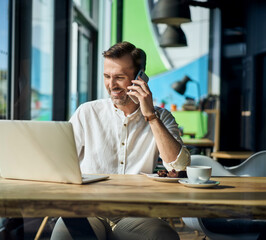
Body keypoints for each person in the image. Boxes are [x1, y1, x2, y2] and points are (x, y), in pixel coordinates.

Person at [51, 41, 190, 240]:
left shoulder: (162, 117)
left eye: (120, 77)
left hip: (137, 215)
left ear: (140, 78)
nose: (111, 85)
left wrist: (150, 116)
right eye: (107, 76)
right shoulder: (86, 112)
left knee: (163, 236)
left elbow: (180, 166)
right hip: (88, 211)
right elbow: (59, 161)